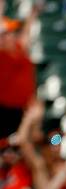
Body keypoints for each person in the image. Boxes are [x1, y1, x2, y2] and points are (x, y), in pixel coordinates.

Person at [0, 7, 38, 137]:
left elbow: (26, 34)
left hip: (24, 109)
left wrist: (33, 13)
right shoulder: (2, 56)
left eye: (12, 33)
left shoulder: (19, 49)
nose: (11, 36)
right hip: (5, 111)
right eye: (6, 34)